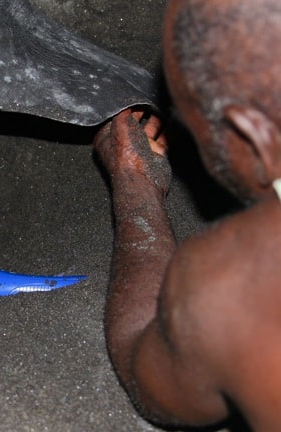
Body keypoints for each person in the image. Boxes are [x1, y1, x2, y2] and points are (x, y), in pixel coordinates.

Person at [93, 0, 281, 430]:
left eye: (191, 121)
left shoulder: (240, 285)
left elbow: (146, 365)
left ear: (254, 136)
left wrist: (134, 184)